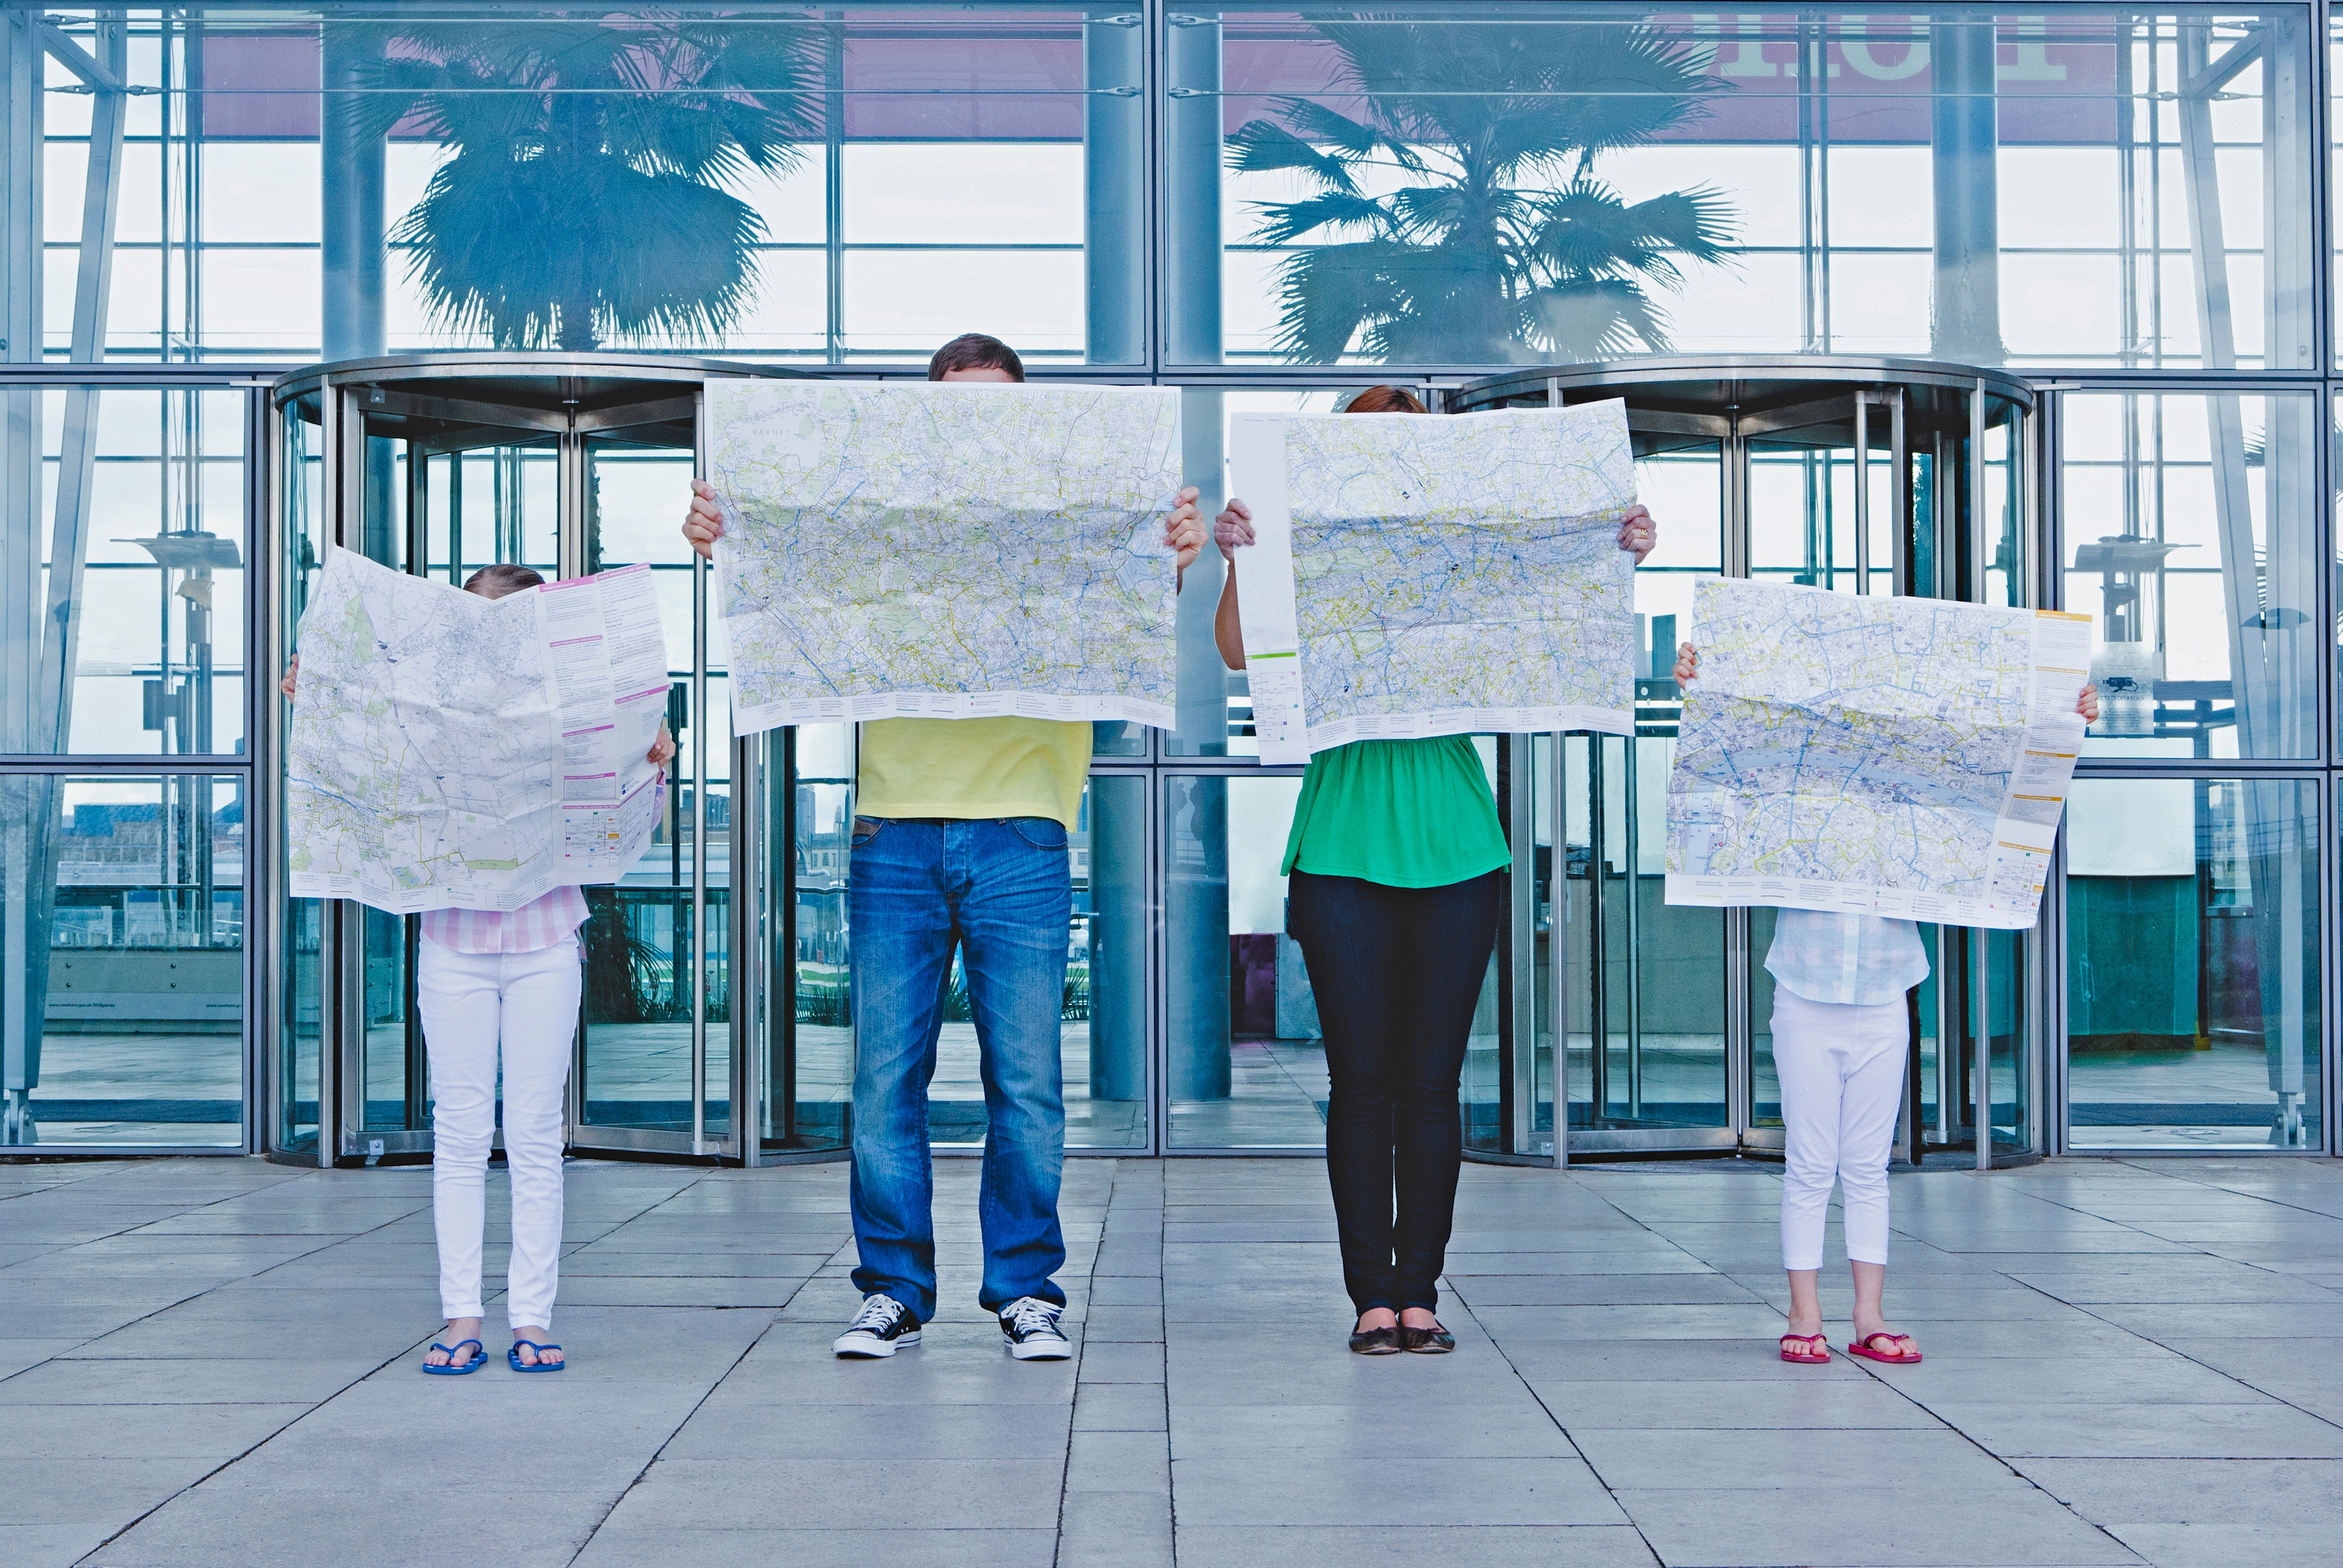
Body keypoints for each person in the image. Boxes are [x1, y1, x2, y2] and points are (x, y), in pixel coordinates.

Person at [682, 332, 1209, 1360]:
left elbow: (1127, 617)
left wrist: (1173, 560)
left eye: (997, 411)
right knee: (885, 1080)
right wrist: (727, 535)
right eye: (959, 410)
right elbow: (795, 580)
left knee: (1027, 1081)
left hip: (1023, 828)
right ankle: (892, 1289)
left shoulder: (1065, 508)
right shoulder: (880, 514)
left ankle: (1025, 1290)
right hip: (893, 829)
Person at [1214, 384, 1659, 1354]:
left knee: (1430, 1084)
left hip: (1458, 845)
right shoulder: (1306, 542)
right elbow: (1240, 650)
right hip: (1340, 845)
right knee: (1360, 1082)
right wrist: (1241, 557)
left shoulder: (1462, 548)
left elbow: (1548, 603)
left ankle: (1419, 1291)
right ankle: (1369, 1296)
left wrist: (1606, 545)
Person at [283, 562, 676, 1374]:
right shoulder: (431, 711)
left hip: (543, 943)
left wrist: (654, 761)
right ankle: (461, 1316)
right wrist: (317, 701)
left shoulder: (566, 710)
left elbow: (625, 816)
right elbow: (362, 753)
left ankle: (532, 1318)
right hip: (455, 944)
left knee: (534, 1136)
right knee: (460, 1135)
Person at [1672, 640, 2098, 1366]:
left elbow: (1997, 786)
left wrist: (2069, 719)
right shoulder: (1794, 794)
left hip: (1883, 998)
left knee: (1867, 1166)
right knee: (1811, 1163)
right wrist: (1701, 687)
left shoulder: (1915, 803)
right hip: (1805, 996)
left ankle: (1868, 1313)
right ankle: (1803, 1312)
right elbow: (1726, 770)